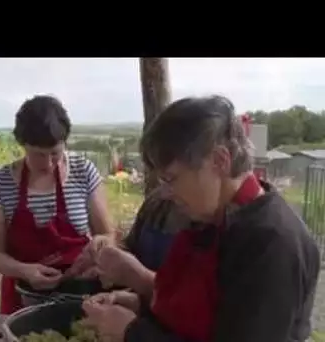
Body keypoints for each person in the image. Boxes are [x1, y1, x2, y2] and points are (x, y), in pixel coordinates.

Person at [82, 95, 321, 342]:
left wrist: (134, 332)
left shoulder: (271, 243)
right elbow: (207, 316)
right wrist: (143, 305)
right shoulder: (212, 217)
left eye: (172, 179)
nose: (165, 193)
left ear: (219, 160)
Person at [0, 95, 115, 315]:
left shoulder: (83, 172)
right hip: (24, 296)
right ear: (22, 144)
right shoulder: (0, 183)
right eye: (38, 155)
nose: (48, 163)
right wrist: (25, 271)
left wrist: (97, 256)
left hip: (80, 292)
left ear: (65, 142)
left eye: (55, 153)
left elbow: (107, 235)